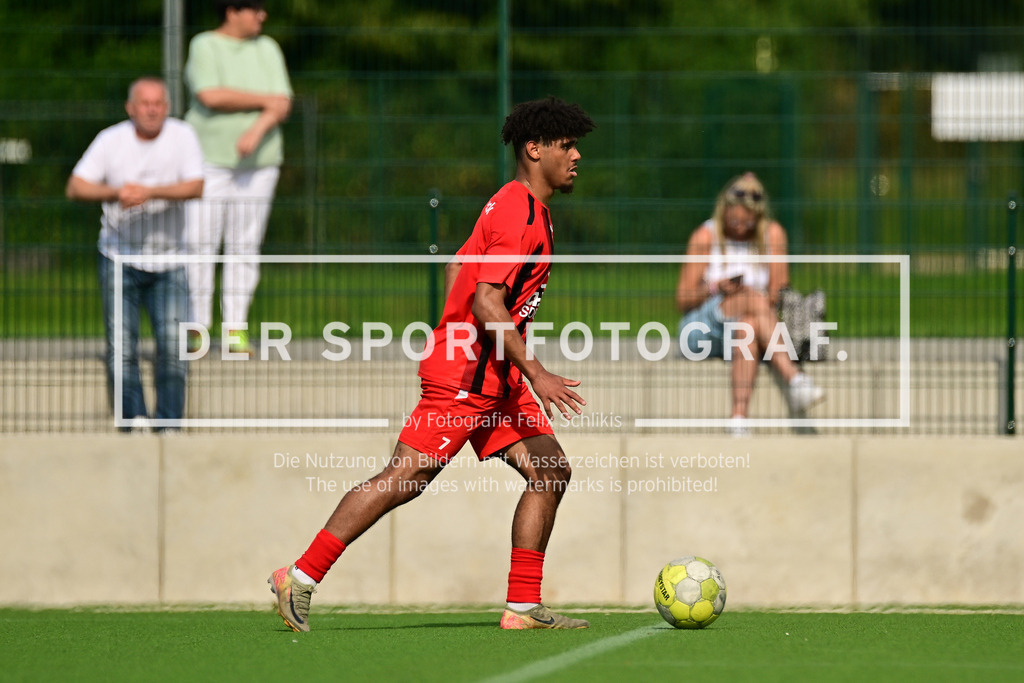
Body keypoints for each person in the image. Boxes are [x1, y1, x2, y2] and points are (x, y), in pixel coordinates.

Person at [269, 97, 596, 632]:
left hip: (495, 377)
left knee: (550, 471)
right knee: (407, 477)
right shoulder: (518, 211)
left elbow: (457, 266)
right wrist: (535, 372)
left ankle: (522, 606)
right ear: (534, 149)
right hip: (467, 376)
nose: (577, 156)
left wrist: (476, 343)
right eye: (568, 145)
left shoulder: (521, 207)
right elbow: (487, 301)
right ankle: (299, 577)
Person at [66, 77, 205, 430]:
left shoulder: (183, 136)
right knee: (121, 348)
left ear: (167, 107)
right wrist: (117, 193)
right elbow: (76, 186)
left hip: (170, 260)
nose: (152, 109)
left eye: (158, 102)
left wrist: (150, 192)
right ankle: (135, 421)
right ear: (131, 108)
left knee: (174, 348)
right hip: (118, 257)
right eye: (145, 103)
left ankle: (169, 424)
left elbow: (196, 185)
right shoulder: (110, 140)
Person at [675, 172, 824, 436]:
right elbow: (683, 298)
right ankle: (795, 378)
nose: (741, 228)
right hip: (701, 329)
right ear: (724, 211)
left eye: (748, 222)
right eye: (734, 221)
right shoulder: (705, 236)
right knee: (748, 298)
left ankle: (738, 418)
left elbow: (779, 292)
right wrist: (716, 288)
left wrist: (754, 298)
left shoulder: (772, 234)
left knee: (748, 324)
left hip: (750, 323)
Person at [183, 0, 293, 354]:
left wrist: (257, 129)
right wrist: (264, 102)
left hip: (260, 165)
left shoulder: (268, 48)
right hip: (209, 160)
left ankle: (235, 330)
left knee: (245, 246)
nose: (262, 15)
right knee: (200, 242)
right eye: (255, 8)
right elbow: (210, 94)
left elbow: (283, 103)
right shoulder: (205, 44)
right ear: (232, 11)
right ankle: (196, 328)